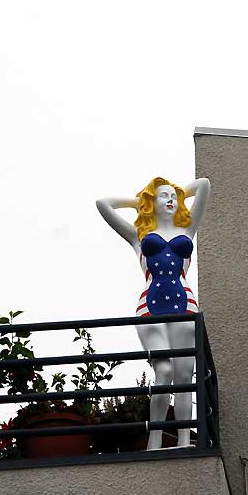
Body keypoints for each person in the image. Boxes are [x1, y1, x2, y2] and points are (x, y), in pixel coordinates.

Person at [96, 176, 210, 449]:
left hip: (185, 307)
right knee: (164, 371)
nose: (170, 200)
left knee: (184, 376)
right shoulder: (139, 236)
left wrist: (178, 192)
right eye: (163, 196)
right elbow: (103, 204)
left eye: (174, 196)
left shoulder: (187, 230)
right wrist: (139, 201)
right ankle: (154, 440)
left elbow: (204, 185)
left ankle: (184, 440)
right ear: (151, 202)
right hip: (149, 307)